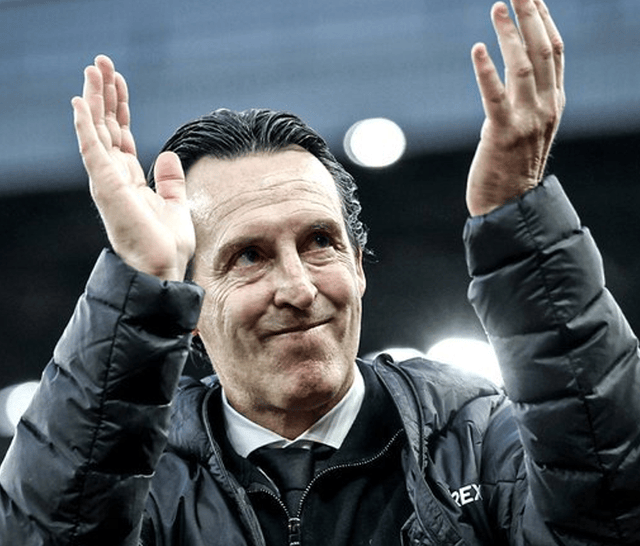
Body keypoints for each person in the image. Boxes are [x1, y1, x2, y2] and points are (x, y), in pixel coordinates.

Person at [1, 0, 639, 544]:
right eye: (248, 256)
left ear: (359, 267)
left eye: (319, 243)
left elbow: (610, 513)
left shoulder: (478, 439)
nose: (299, 288)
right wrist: (139, 282)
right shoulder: (140, 483)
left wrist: (518, 220)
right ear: (188, 304)